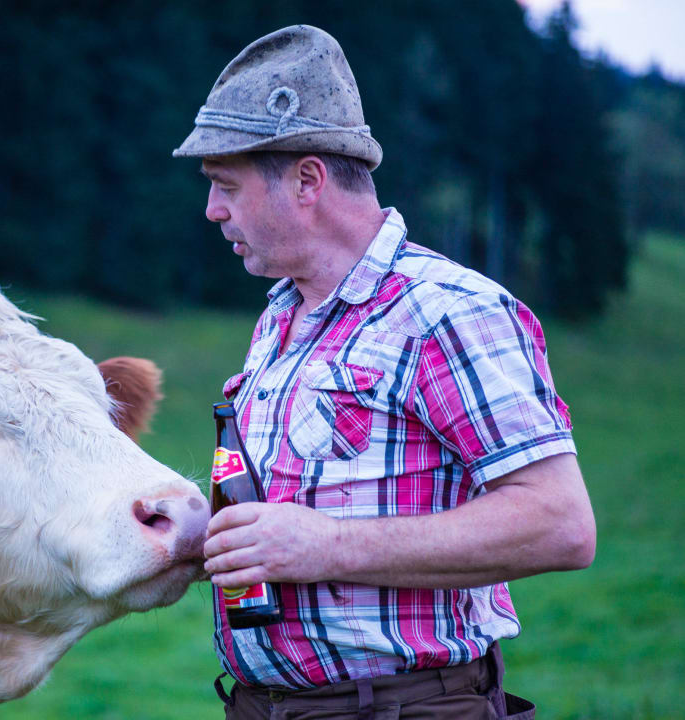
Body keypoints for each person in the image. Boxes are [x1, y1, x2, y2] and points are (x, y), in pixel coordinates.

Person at [173, 25, 596, 719]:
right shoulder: (281, 316)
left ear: (307, 180)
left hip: (402, 709)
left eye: (226, 186)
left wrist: (325, 546)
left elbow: (561, 525)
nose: (212, 210)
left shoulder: (448, 311)